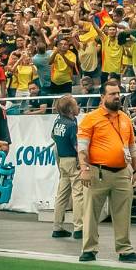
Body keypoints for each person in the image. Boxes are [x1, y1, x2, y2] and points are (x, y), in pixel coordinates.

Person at [76, 81, 136, 263]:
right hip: (98, 171)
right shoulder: (91, 118)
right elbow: (82, 147)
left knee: (123, 212)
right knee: (91, 212)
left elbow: (132, 147)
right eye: (112, 94)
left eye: (118, 93)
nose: (116, 96)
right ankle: (89, 249)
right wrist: (85, 169)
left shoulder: (125, 119)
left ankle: (125, 249)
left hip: (122, 172)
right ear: (102, 97)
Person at [49, 94, 83, 238]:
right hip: (72, 160)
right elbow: (77, 146)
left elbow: (52, 136)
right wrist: (83, 160)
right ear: (70, 109)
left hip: (62, 160)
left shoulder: (59, 122)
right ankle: (79, 228)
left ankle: (57, 226)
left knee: (62, 194)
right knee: (78, 193)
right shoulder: (71, 125)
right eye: (75, 104)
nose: (78, 107)